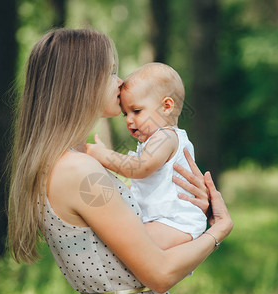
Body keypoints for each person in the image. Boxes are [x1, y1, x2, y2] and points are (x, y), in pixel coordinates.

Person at [7, 28, 233, 294]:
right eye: (111, 72)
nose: (120, 81)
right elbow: (160, 274)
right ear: (81, 82)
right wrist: (218, 229)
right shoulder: (79, 170)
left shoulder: (62, 164)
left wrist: (176, 203)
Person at [86, 63, 206, 250]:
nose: (129, 120)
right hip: (161, 220)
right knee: (125, 243)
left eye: (137, 111)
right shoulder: (154, 141)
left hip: (176, 222)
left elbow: (141, 168)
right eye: (125, 114)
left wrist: (103, 155)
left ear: (166, 106)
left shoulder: (166, 136)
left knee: (130, 245)